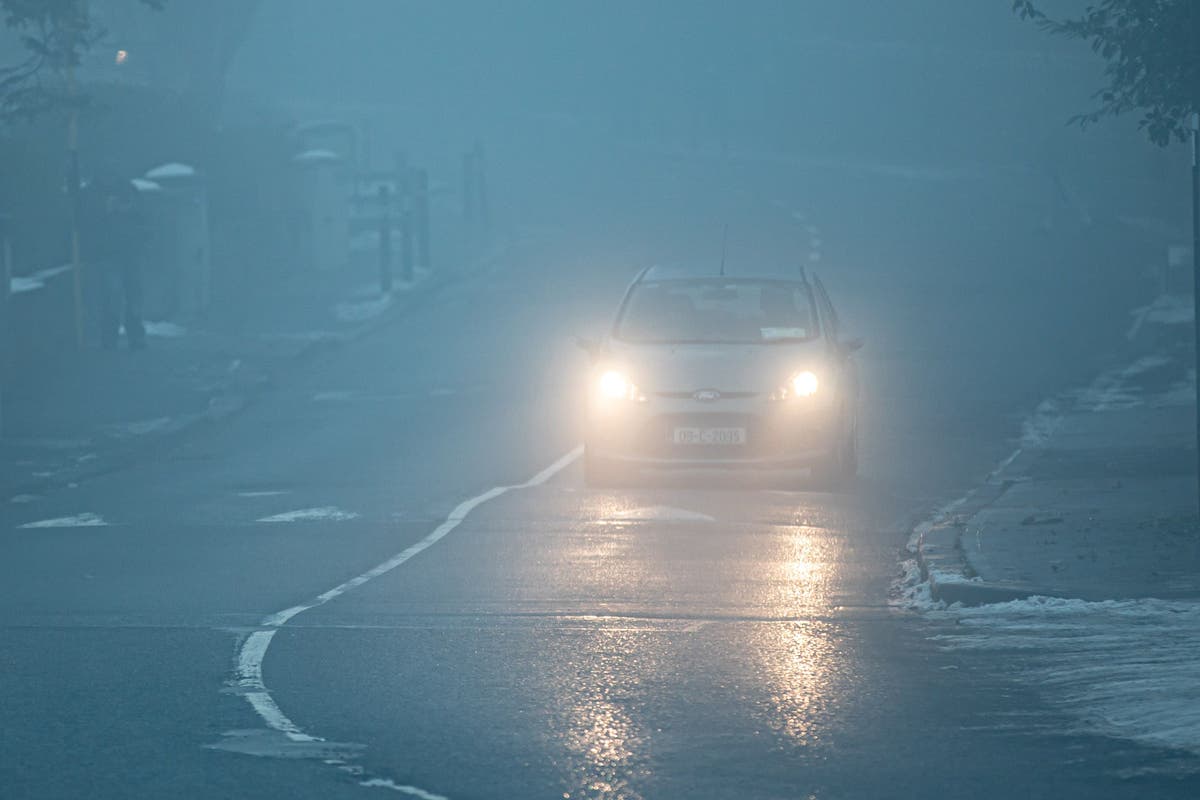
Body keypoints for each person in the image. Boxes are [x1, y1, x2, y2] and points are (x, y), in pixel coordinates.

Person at [83, 177, 147, 350]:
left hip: (130, 253)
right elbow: (87, 222)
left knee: (134, 295)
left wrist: (130, 212)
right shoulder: (93, 192)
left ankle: (135, 335)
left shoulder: (128, 188)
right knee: (112, 297)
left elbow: (143, 219)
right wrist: (106, 211)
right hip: (109, 255)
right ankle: (110, 337)